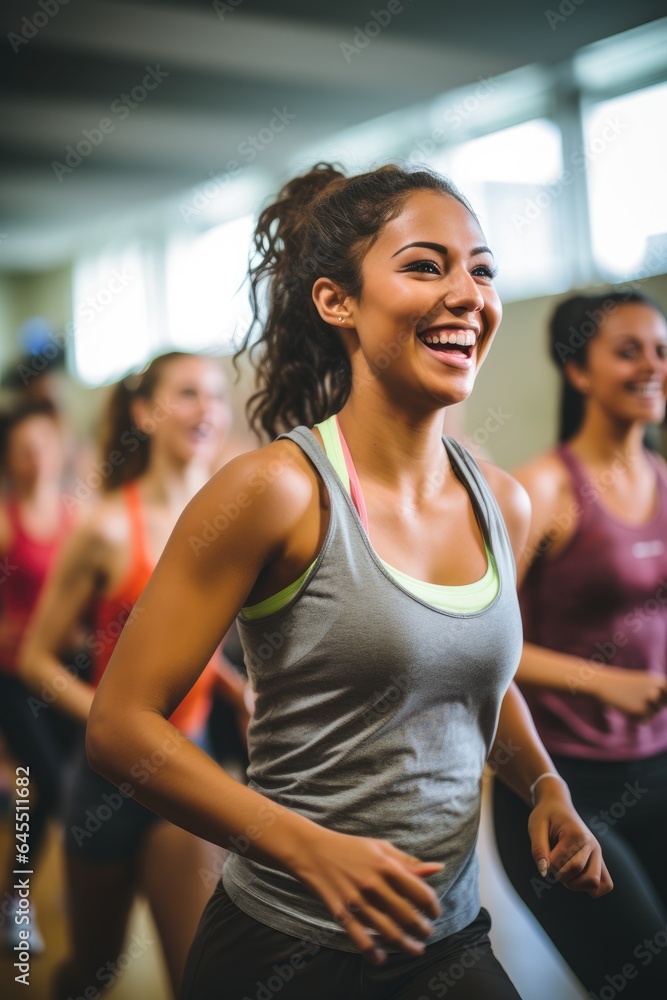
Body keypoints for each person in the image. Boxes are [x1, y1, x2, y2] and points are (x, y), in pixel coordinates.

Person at [86, 164, 612, 1000]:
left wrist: (543, 784)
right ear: (337, 302)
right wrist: (305, 846)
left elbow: (479, 678)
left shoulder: (499, 501)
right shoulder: (275, 491)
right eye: (423, 265)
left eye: (480, 269)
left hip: (450, 938)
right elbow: (117, 727)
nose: (466, 293)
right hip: (286, 951)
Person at [18, 352, 247, 1000]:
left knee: (202, 975)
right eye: (186, 395)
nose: (206, 409)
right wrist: (114, 720)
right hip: (110, 779)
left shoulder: (231, 514)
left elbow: (190, 643)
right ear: (145, 414)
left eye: (214, 395)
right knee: (92, 971)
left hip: (189, 760)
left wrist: (233, 686)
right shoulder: (105, 526)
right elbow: (36, 658)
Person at [492, 290, 667, 1000]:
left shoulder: (661, 480)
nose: (651, 366)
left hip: (656, 767)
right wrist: (602, 682)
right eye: (627, 351)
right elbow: (479, 644)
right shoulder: (541, 489)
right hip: (562, 785)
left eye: (659, 351)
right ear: (578, 371)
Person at [0, 398, 78, 954]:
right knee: (39, 788)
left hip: (66, 672)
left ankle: (81, 883)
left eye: (43, 446)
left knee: (77, 787)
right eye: (24, 451)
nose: (36, 459)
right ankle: (16, 900)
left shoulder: (76, 516)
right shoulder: (5, 519)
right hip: (14, 679)